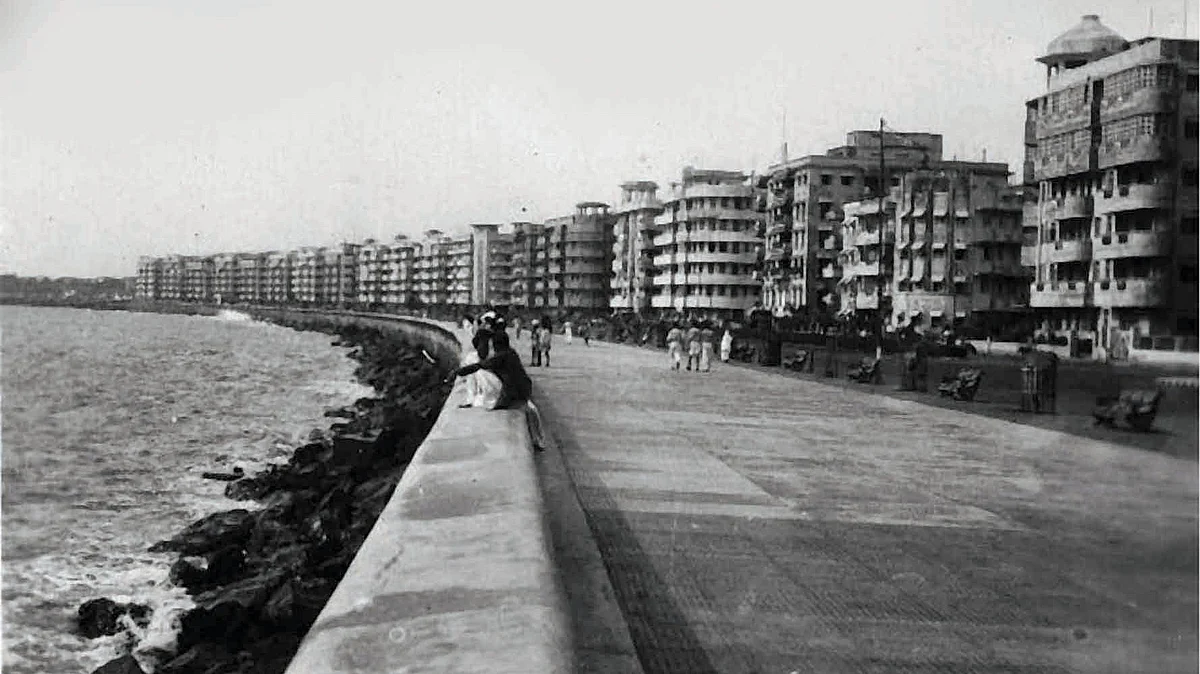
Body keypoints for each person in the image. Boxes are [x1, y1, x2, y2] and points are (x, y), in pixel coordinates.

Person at [449, 331, 546, 451]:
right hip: (523, 388)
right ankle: (538, 440)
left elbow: (478, 366)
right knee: (530, 412)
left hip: (516, 391)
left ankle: (537, 440)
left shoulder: (502, 356)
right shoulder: (511, 353)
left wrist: (457, 372)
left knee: (522, 410)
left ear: (497, 345)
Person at [459, 328, 502, 409]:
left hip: (496, 392)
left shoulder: (495, 355)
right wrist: (470, 400)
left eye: (486, 344)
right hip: (482, 396)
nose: (483, 347)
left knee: (479, 370)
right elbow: (471, 382)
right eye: (481, 344)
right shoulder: (472, 357)